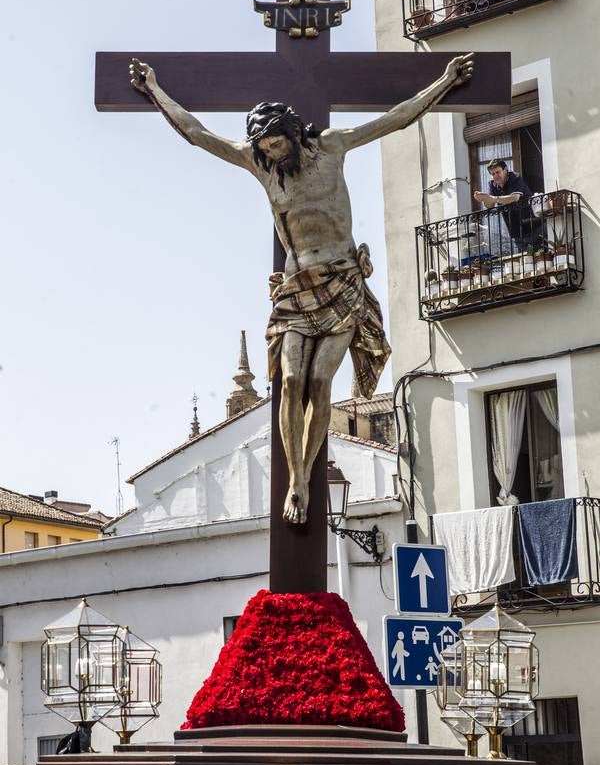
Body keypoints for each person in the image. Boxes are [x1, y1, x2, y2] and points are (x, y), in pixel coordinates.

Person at [129, 52, 475, 525]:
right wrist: (154, 91)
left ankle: (307, 472)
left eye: (276, 144)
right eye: (264, 148)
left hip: (342, 283)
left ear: (291, 133)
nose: (271, 154)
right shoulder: (260, 166)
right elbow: (198, 134)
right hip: (295, 289)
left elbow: (395, 118)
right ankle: (296, 479)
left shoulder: (332, 146)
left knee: (319, 381)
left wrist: (445, 82)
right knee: (289, 381)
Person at [474, 158, 541, 251]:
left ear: (505, 169)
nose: (495, 176)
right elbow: (489, 206)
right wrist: (483, 198)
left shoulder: (515, 177)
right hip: (516, 231)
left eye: (498, 172)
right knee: (527, 261)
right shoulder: (492, 184)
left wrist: (491, 198)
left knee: (543, 256)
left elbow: (514, 198)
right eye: (493, 174)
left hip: (534, 225)